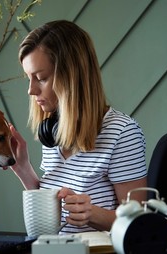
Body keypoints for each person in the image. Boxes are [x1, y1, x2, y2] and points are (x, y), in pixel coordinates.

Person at [10, 20, 147, 234]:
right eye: (29, 78)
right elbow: (52, 210)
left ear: (72, 76)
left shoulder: (121, 132)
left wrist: (91, 214)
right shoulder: (53, 131)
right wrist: (23, 168)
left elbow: (138, 222)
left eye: (40, 78)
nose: (31, 90)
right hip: (55, 253)